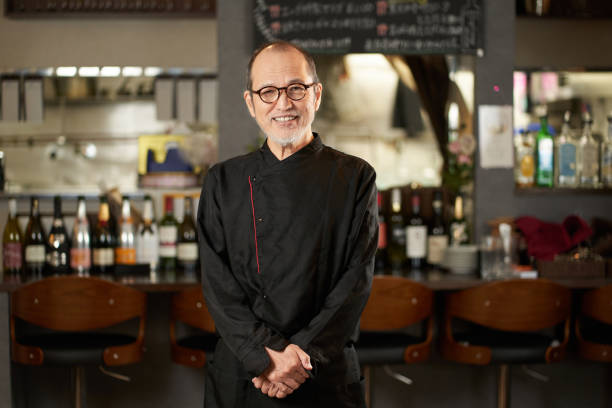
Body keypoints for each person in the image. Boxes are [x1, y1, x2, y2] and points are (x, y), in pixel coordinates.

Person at [197, 40, 378, 407]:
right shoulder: (222, 181)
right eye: (268, 92)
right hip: (246, 374)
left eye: (296, 88)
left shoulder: (356, 176)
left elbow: (355, 281)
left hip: (321, 371)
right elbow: (217, 284)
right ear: (250, 103)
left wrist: (299, 356)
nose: (283, 103)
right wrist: (264, 358)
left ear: (317, 94)